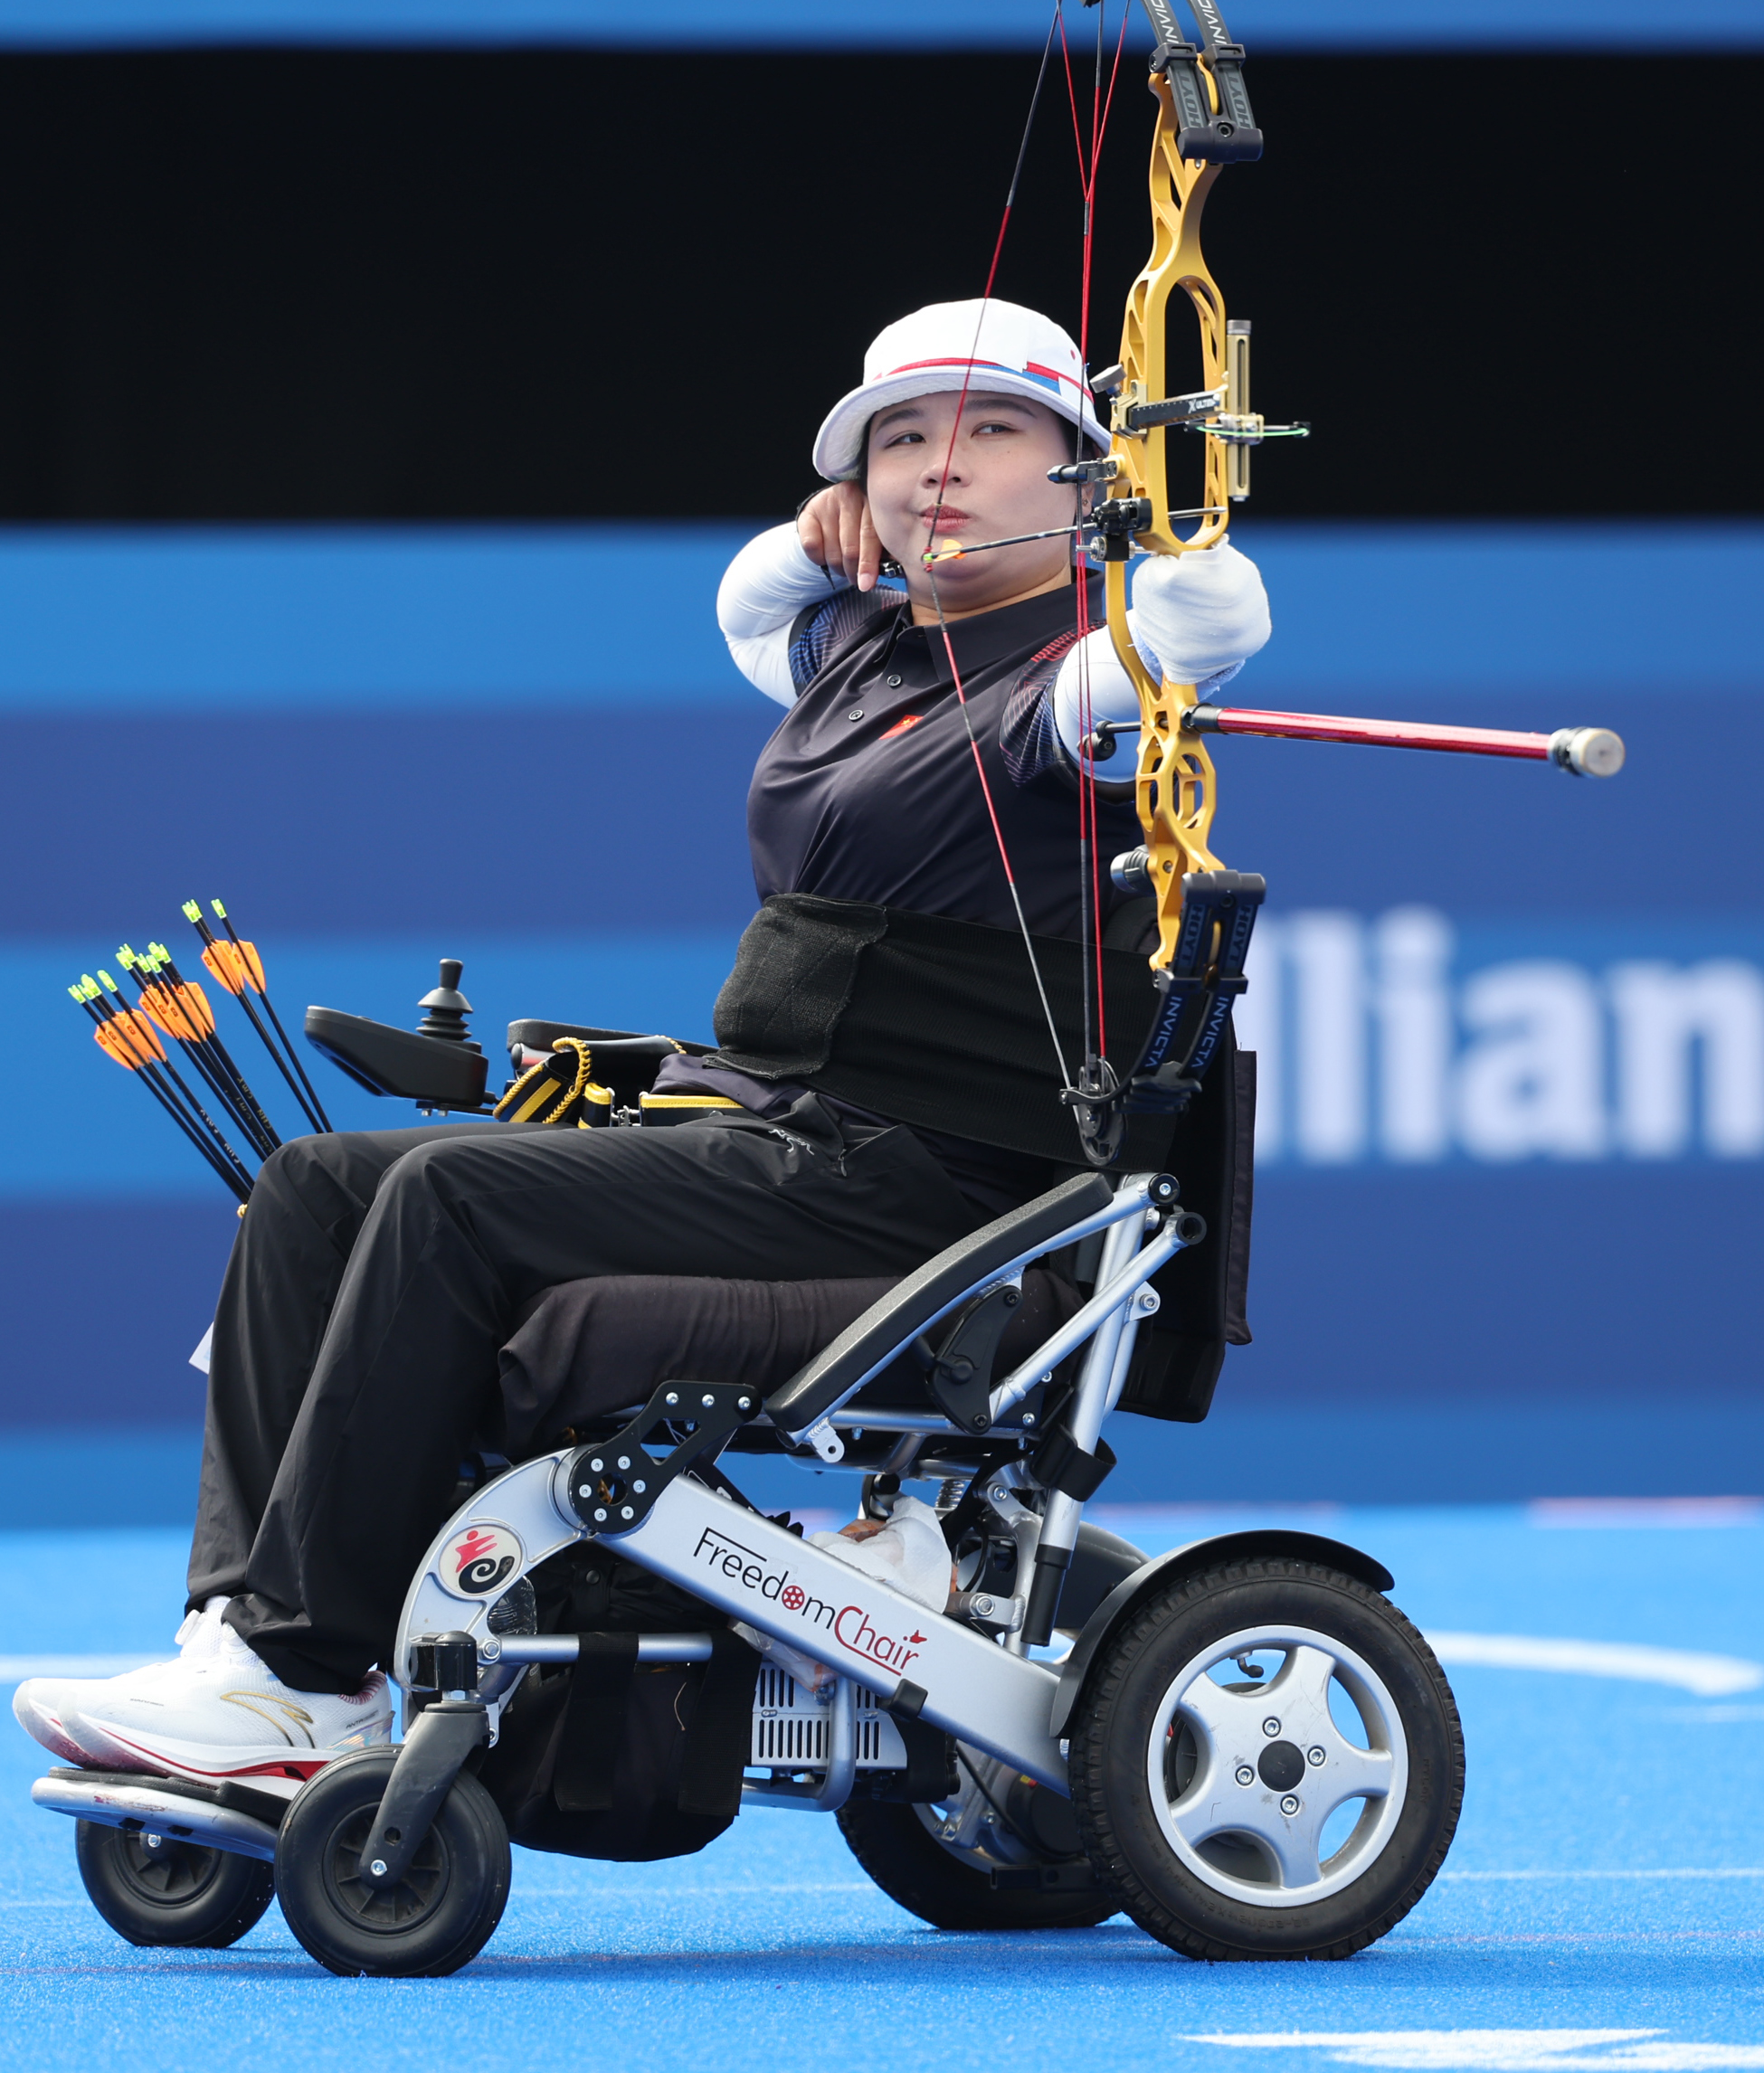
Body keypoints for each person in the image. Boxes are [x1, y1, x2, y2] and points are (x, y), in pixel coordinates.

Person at [14, 297, 1269, 1784]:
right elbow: (744, 606)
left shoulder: (1073, 688)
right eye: (898, 442)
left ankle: (306, 1673)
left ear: (1077, 470)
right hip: (776, 1131)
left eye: (992, 432)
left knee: (448, 1195)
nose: (939, 466)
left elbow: (1214, 617)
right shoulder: (859, 654)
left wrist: (1158, 514)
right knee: (315, 1184)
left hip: (918, 1177)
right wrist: (811, 540)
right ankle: (241, 1650)